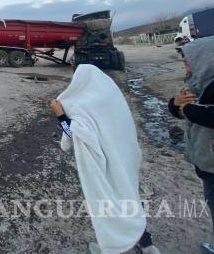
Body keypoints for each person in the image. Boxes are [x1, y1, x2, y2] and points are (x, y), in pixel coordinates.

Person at [50, 64, 161, 254]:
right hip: (126, 157)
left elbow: (73, 134)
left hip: (108, 165)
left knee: (107, 201)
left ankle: (111, 246)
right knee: (130, 196)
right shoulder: (111, 96)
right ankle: (146, 244)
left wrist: (60, 115)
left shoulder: (84, 105)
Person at [168, 35, 214, 254]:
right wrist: (176, 104)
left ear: (204, 60)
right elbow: (182, 110)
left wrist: (188, 109)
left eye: (188, 60)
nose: (185, 65)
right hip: (211, 163)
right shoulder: (200, 82)